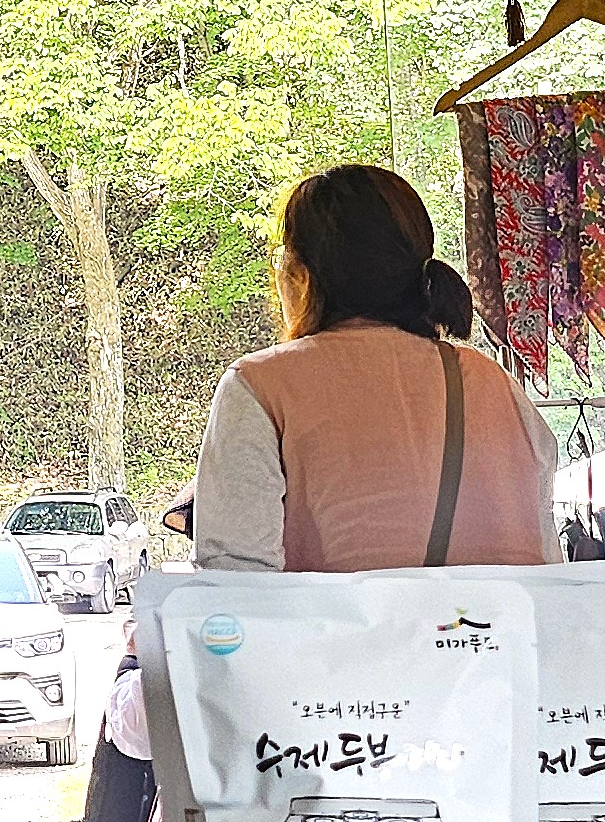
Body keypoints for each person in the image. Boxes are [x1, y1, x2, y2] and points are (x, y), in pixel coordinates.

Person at [187, 163, 559, 574]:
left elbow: (235, 576)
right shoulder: (493, 382)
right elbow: (545, 553)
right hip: (499, 617)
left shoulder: (259, 386)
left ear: (300, 275)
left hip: (341, 620)